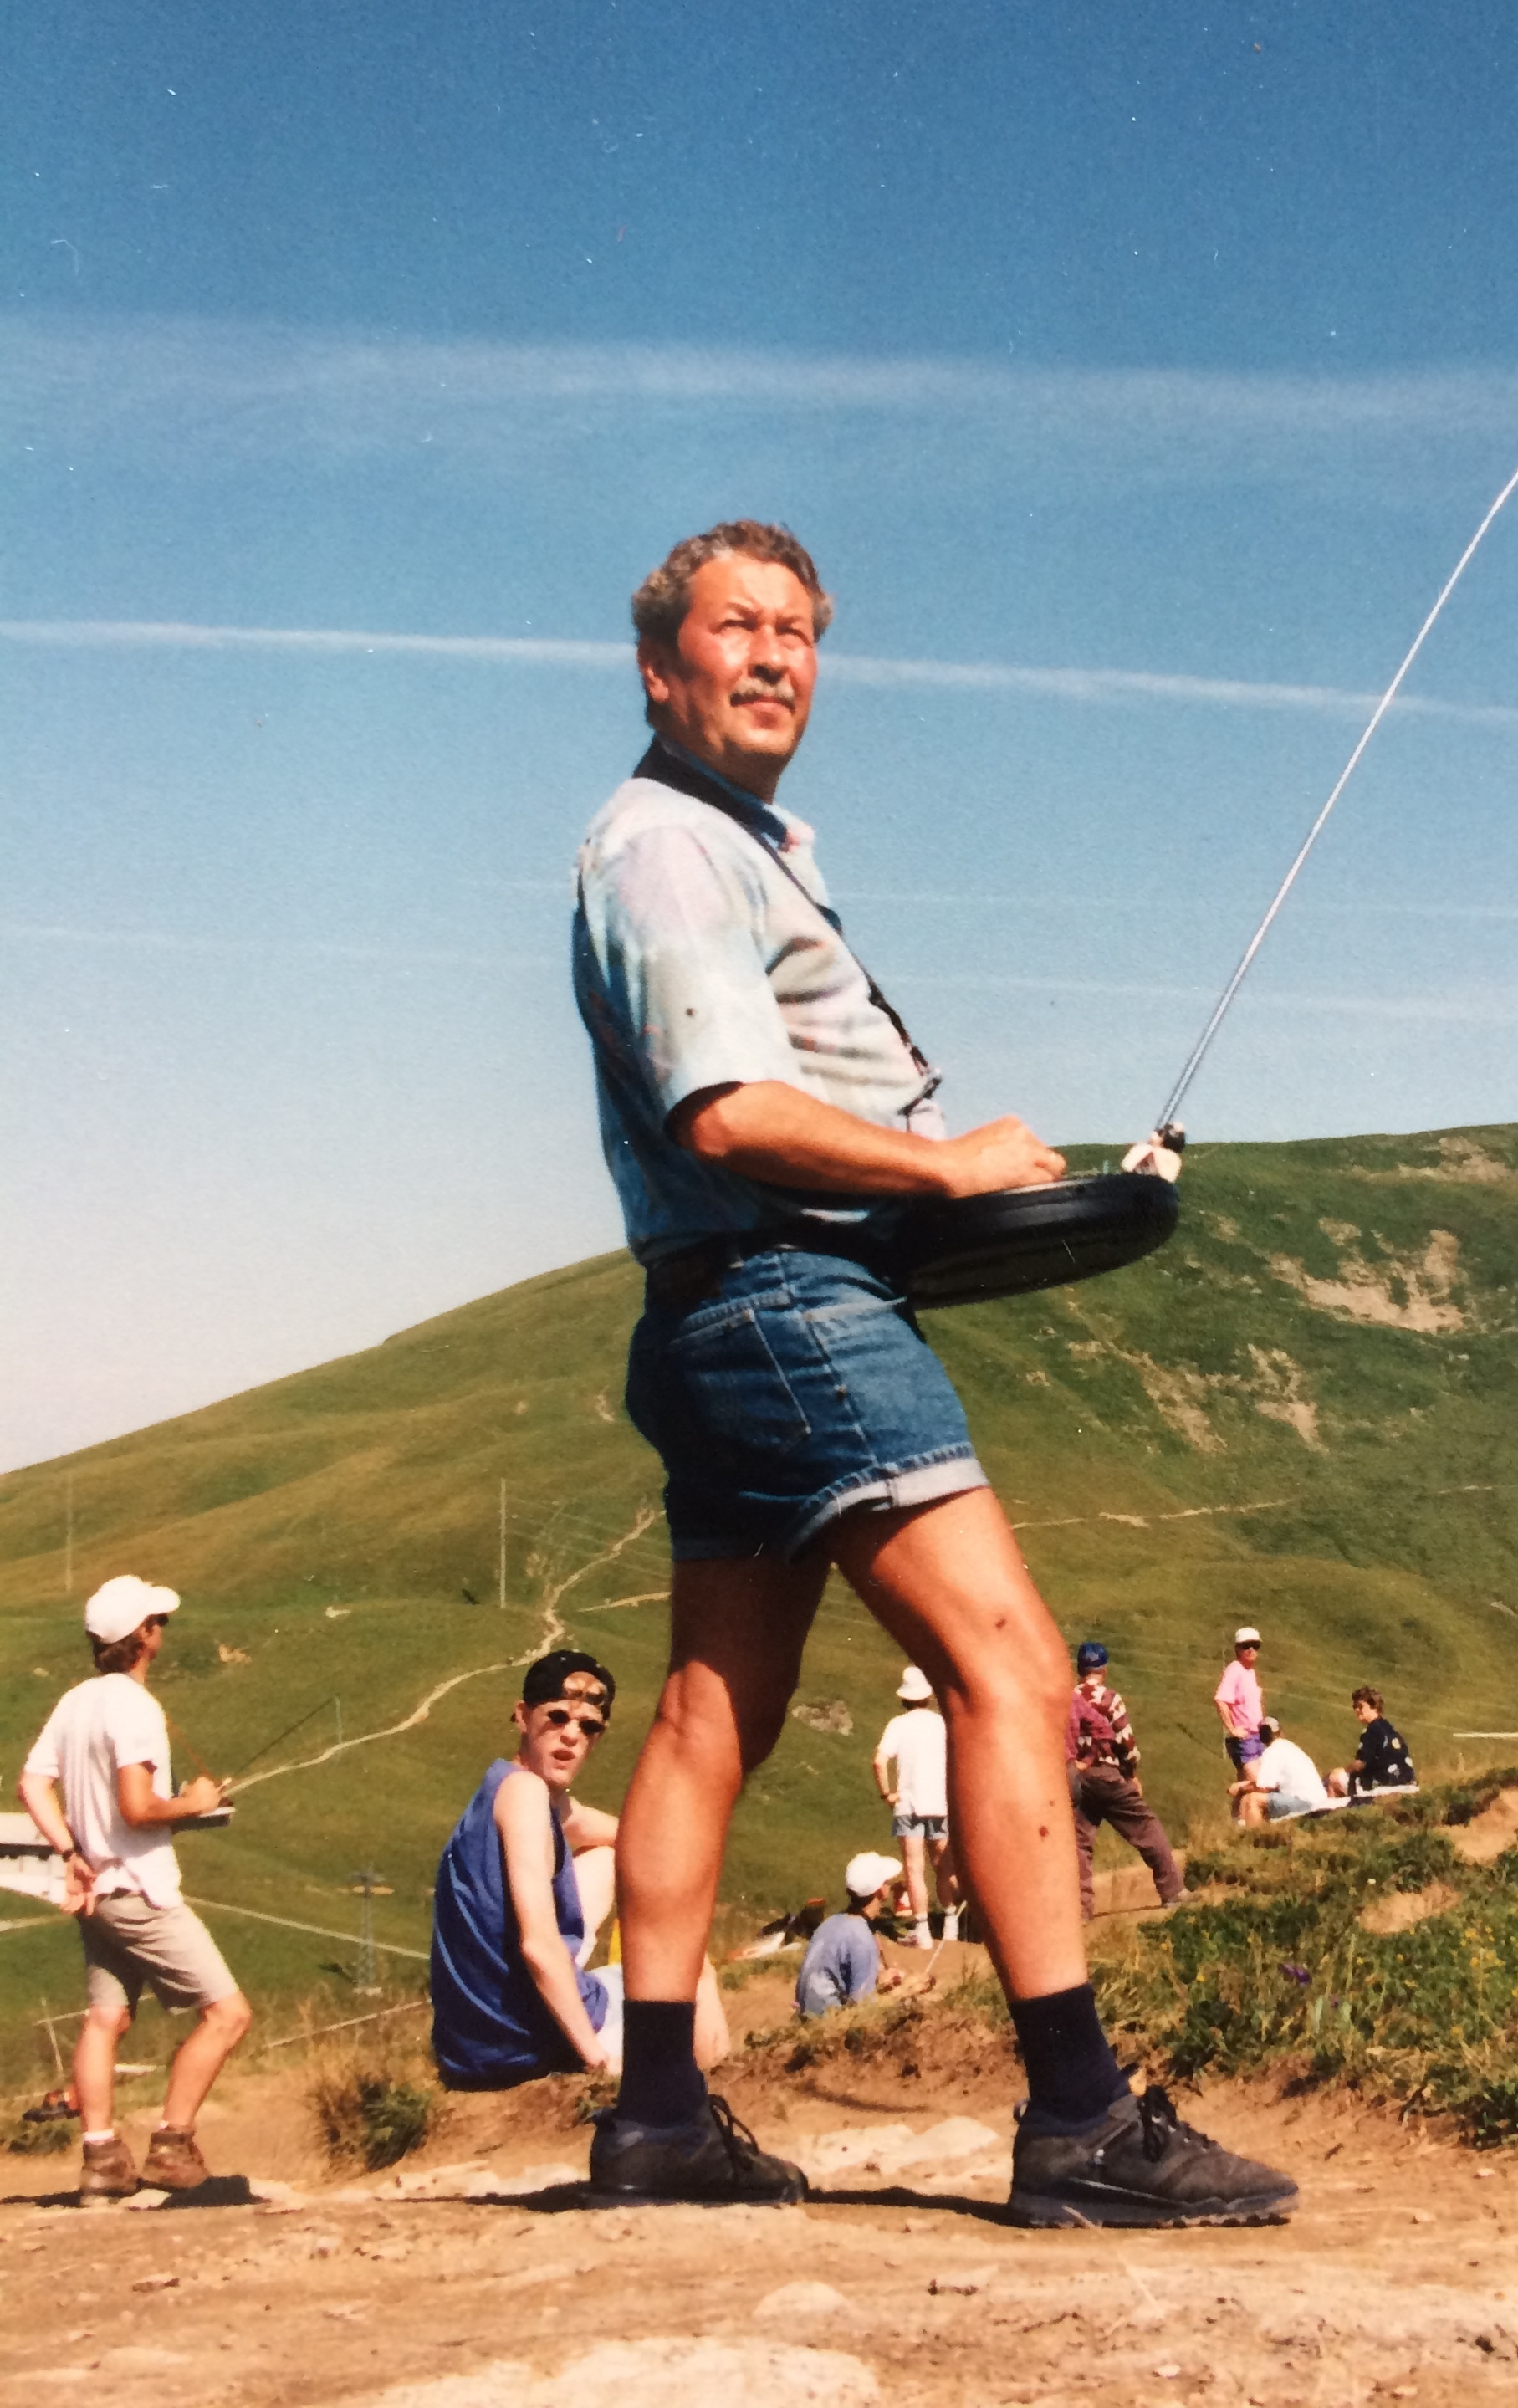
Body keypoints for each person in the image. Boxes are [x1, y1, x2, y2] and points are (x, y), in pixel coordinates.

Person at [571, 520, 1294, 2227]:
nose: (774, 658)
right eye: (736, 629)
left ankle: (659, 2118)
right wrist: (956, 1170)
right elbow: (728, 1114)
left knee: (702, 1714)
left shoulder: (723, 840)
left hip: (714, 1310)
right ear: (660, 668)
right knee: (1014, 1666)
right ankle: (1078, 2123)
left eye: (801, 631)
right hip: (787, 1299)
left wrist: (988, 1209)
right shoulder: (671, 852)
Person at [17, 1577, 253, 2202]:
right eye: (159, 1623)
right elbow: (137, 1807)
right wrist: (194, 1803)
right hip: (140, 1891)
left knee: (106, 2018)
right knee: (228, 2015)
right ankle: (173, 2148)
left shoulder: (76, 1701)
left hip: (95, 1889)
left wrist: (70, 1853)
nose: (161, 1632)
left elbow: (31, 1786)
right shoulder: (136, 1707)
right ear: (142, 1638)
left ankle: (102, 2160)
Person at [429, 1651, 732, 2087]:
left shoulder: (506, 1785)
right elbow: (538, 1946)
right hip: (525, 2044)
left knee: (608, 1859)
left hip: (471, 2047)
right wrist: (597, 2061)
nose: (571, 1736)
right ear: (522, 1716)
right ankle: (716, 2087)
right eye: (557, 1718)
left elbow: (624, 1837)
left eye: (588, 1726)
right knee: (691, 1968)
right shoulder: (528, 1798)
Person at [1067, 1643, 1185, 1921]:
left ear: (1080, 1669)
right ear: (1103, 1670)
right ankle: (1173, 1891)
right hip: (1108, 1774)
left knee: (1079, 1843)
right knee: (1145, 1826)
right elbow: (1125, 1741)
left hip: (1076, 1776)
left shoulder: (1068, 1698)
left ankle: (1081, 1909)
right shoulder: (1110, 1699)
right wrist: (1131, 1773)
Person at [872, 1664, 959, 1947]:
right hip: (940, 1803)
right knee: (943, 1866)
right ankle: (950, 1924)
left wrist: (887, 1794)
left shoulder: (898, 1725)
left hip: (909, 1805)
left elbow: (879, 1760)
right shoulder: (941, 1723)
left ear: (904, 1697)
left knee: (914, 1867)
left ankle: (922, 1933)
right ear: (928, 1695)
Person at [795, 1852, 918, 2016]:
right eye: (887, 1882)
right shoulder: (861, 1938)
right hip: (829, 2022)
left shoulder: (831, 1922)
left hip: (807, 2012)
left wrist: (878, 1979)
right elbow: (863, 2008)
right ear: (881, 1891)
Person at [1213, 1627, 1268, 1823]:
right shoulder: (1235, 1670)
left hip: (1257, 1736)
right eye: (1246, 1646)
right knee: (1260, 1783)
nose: (1251, 1650)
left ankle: (1237, 1824)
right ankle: (1253, 1824)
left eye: (1255, 1645)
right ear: (1238, 1649)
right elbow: (1220, 1700)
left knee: (1244, 1783)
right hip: (1245, 1738)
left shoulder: (1250, 1672)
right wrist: (1232, 1729)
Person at [1329, 1685, 1418, 1801]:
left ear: (1374, 1707)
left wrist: (1343, 1770)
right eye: (1354, 1706)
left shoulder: (1372, 1730)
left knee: (1333, 1779)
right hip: (1407, 1783)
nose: (1356, 1710)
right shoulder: (1390, 1730)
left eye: (1360, 1706)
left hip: (1383, 1785)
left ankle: (1330, 1815)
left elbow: (1360, 1764)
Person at [1234, 1720, 1328, 1825]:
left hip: (1304, 1802)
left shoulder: (1272, 1752)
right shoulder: (1289, 1747)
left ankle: (1253, 1836)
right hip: (1318, 1800)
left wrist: (1241, 1788)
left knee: (1252, 1800)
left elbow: (1264, 1787)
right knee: (1263, 1801)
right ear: (1280, 1732)